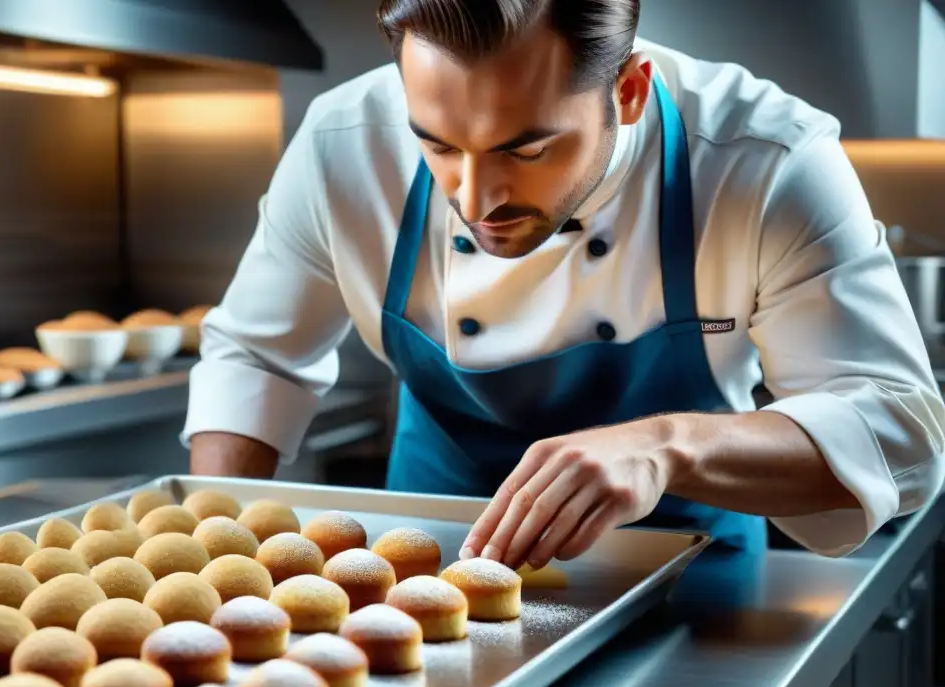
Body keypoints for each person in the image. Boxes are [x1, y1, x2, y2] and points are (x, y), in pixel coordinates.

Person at [184, 0, 945, 564]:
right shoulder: (341, 143)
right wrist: (212, 555)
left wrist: (667, 447)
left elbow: (899, 431)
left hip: (692, 568)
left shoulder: (764, 160)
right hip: (435, 561)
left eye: (528, 147)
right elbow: (258, 357)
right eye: (438, 145)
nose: (476, 199)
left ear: (629, 91)